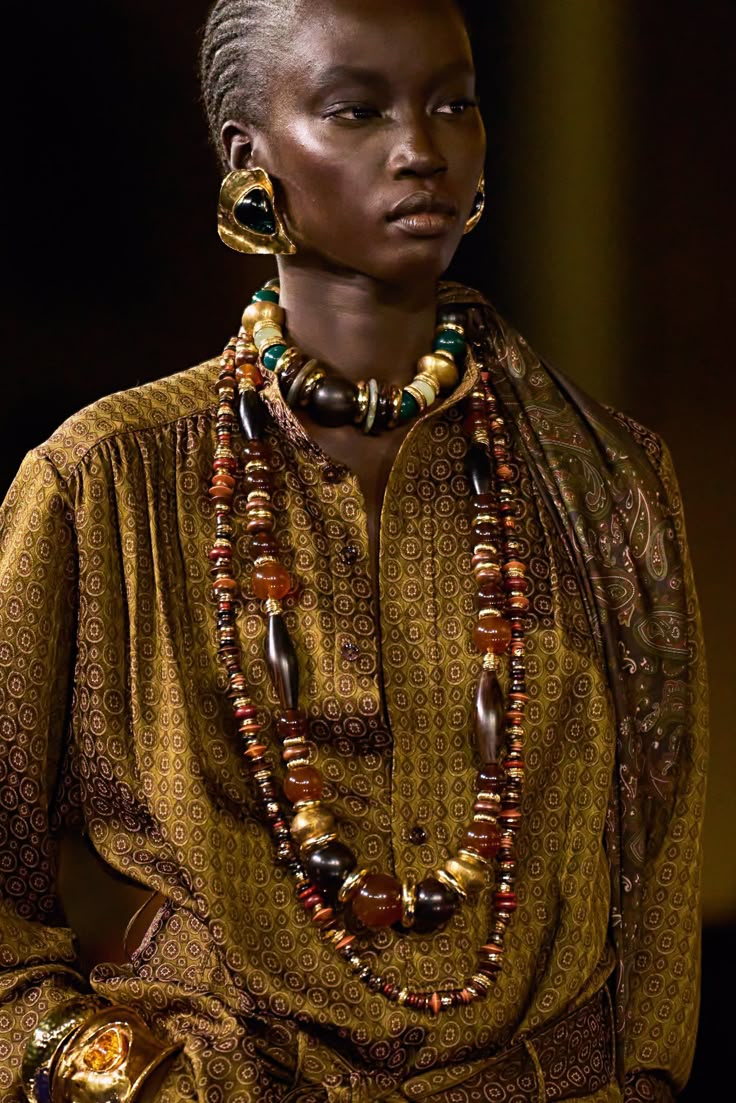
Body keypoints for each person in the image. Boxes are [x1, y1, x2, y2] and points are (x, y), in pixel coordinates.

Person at [0, 1, 707, 1100]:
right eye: (356, 110)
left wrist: (646, 1076)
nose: (421, 148)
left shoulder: (606, 481)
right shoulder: (104, 482)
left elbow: (658, 880)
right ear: (250, 159)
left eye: (453, 105)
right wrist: (118, 1078)